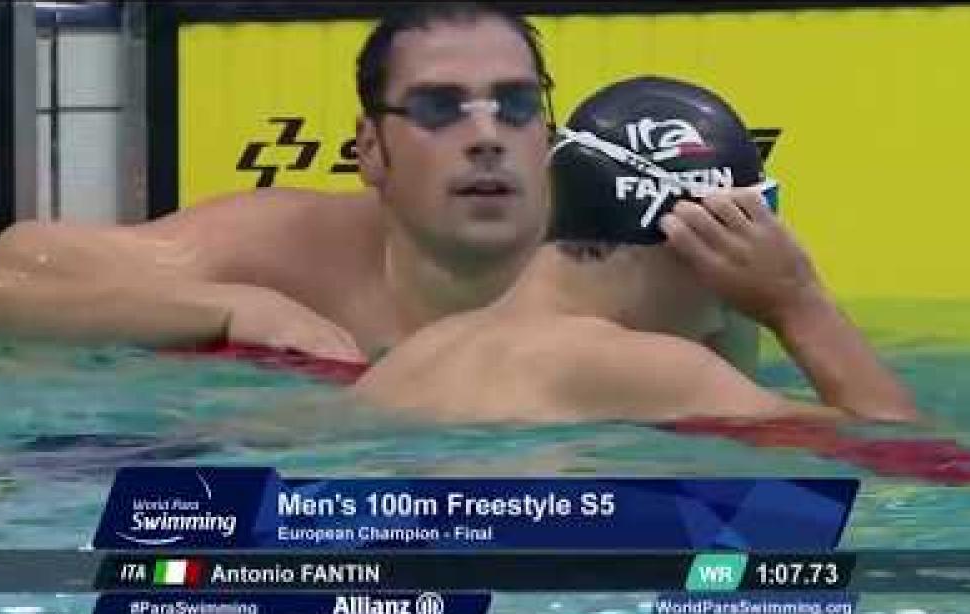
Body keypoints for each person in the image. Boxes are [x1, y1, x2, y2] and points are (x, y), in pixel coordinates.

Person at [0, 3, 757, 370]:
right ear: (370, 148)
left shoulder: (638, 256)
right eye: (440, 107)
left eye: (514, 103)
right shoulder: (288, 250)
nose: (485, 134)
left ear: (546, 130)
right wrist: (230, 309)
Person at [352, 77, 919, 424]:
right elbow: (920, 465)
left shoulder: (419, 356)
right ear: (698, 229)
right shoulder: (656, 373)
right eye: (753, 222)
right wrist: (799, 304)